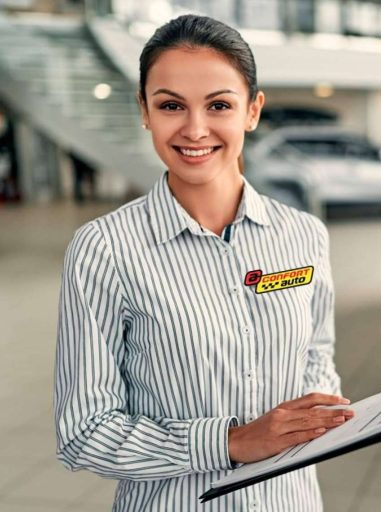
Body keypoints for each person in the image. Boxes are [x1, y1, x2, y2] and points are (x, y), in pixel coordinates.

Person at [54, 15, 353, 511]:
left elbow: (316, 355)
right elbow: (84, 432)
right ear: (145, 112)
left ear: (252, 111)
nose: (195, 129)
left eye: (219, 105)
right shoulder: (104, 250)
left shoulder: (303, 235)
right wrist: (232, 442)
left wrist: (324, 411)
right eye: (171, 105)